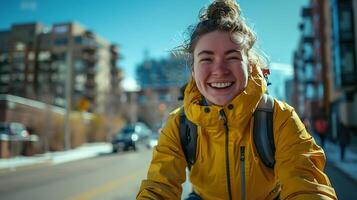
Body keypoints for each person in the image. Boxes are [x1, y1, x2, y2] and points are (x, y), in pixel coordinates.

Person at [136, 0, 337, 199]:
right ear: (194, 69)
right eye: (206, 58)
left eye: (232, 57)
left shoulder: (280, 118)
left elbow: (307, 186)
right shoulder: (179, 124)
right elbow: (158, 188)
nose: (219, 70)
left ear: (249, 66)